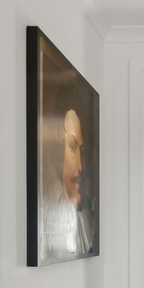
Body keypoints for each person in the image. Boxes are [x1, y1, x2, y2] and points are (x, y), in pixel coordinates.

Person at [41, 108, 96, 260]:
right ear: (58, 156)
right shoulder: (47, 212)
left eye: (82, 151)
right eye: (72, 146)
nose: (80, 166)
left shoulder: (85, 215)